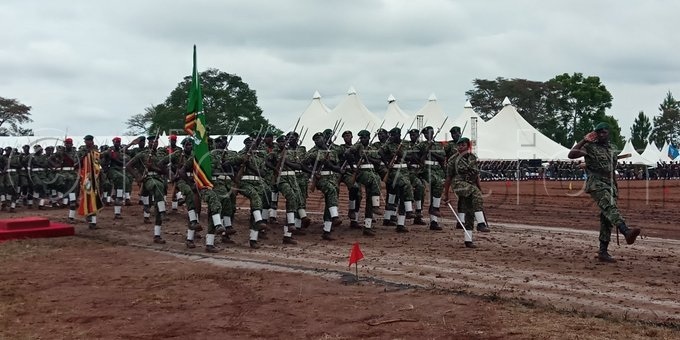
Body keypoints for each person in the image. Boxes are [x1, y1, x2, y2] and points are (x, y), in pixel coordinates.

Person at [568, 122, 641, 262]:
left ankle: (603, 251)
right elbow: (571, 154)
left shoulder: (612, 149)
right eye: (599, 132)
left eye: (604, 132)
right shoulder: (589, 147)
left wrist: (615, 186)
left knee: (606, 217)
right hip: (596, 182)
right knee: (609, 206)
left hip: (610, 183)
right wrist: (584, 140)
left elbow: (612, 169)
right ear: (595, 134)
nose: (601, 134)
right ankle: (626, 231)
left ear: (608, 133)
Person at [443, 137, 489, 248]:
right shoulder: (453, 160)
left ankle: (468, 240)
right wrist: (446, 194)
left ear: (467, 146)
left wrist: (480, 187)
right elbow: (448, 177)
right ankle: (481, 224)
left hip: (470, 184)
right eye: (459, 145)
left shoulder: (472, 158)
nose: (460, 147)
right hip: (458, 184)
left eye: (463, 145)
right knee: (475, 192)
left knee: (469, 211)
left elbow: (476, 174)